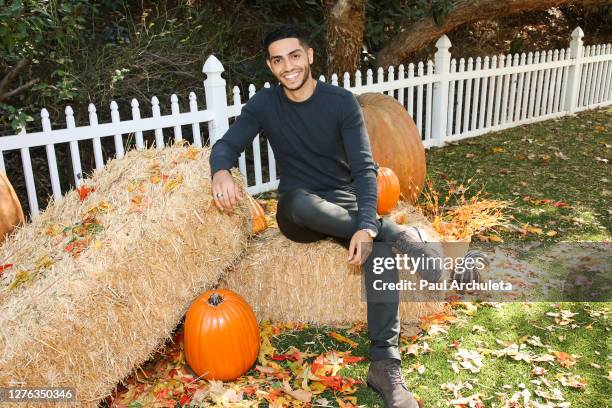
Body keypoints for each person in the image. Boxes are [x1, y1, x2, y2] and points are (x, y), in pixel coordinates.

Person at [209, 24, 440, 408]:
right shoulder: (265, 105)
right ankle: (396, 233)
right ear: (270, 66)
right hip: (299, 215)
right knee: (296, 202)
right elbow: (227, 145)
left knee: (377, 251)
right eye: (278, 60)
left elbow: (365, 169)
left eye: (294, 56)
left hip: (343, 203)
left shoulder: (340, 102)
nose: (288, 66)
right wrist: (220, 169)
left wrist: (365, 226)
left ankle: (384, 364)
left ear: (310, 56)